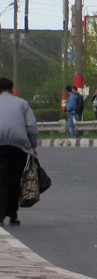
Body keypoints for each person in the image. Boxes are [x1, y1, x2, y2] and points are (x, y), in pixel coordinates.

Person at [0, 77, 38, 226]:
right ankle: (12, 215)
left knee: (1, 180)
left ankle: (0, 215)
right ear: (11, 89)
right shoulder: (22, 103)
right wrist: (32, 146)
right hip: (18, 147)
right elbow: (31, 127)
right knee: (15, 179)